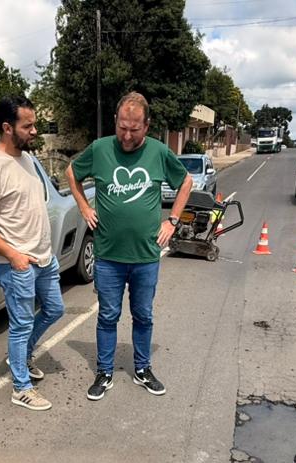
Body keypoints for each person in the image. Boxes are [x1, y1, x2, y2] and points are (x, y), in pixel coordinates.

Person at [66, 92, 192, 401]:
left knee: (143, 315)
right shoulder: (100, 149)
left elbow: (185, 182)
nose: (126, 134)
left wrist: (172, 221)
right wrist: (84, 207)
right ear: (116, 121)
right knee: (107, 316)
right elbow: (72, 172)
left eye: (134, 129)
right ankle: (104, 372)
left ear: (146, 126)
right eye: (122, 126)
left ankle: (142, 369)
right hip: (108, 255)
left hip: (146, 256)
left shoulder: (159, 153)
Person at [0, 95, 64, 411]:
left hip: (43, 258)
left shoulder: (25, 159)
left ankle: (19, 356)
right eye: (29, 125)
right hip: (17, 264)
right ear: (7, 127)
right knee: (21, 325)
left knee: (55, 309)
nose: (35, 130)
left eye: (35, 124)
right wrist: (13, 256)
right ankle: (21, 387)